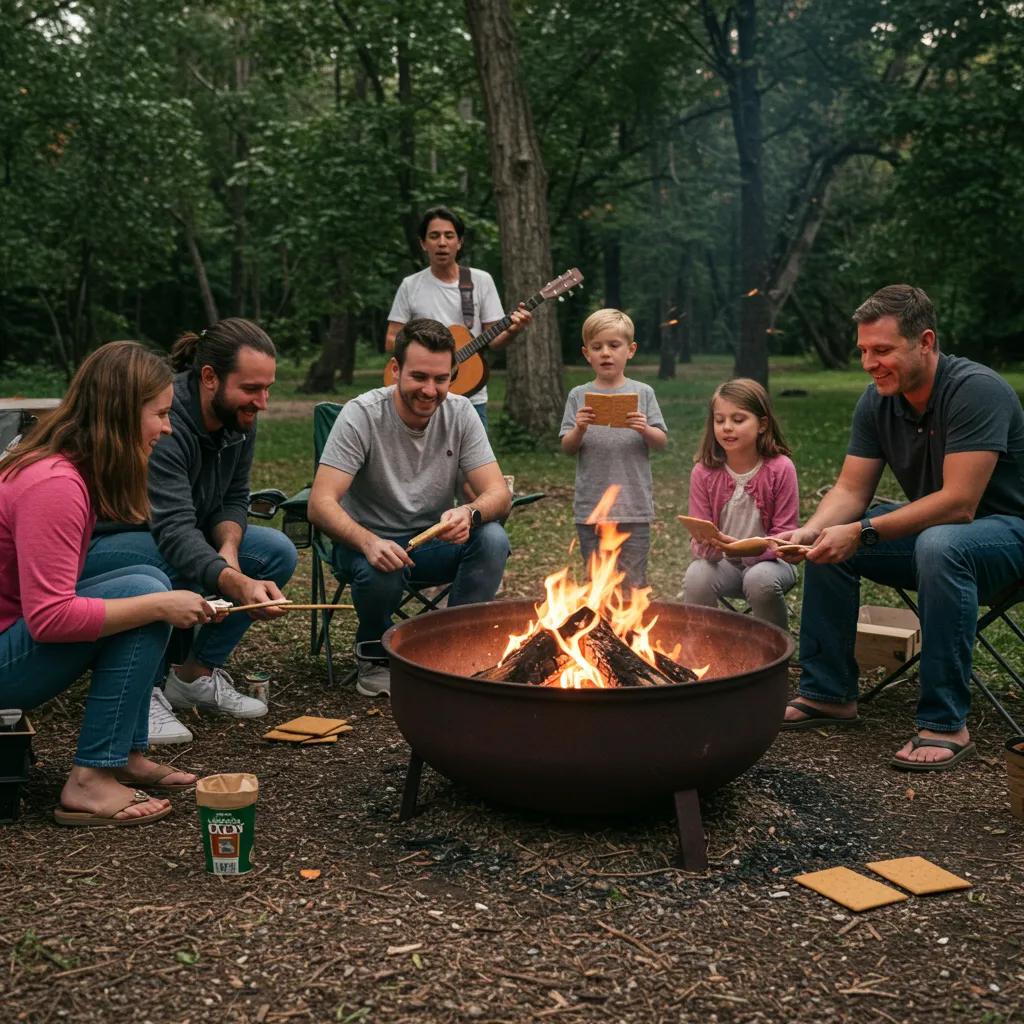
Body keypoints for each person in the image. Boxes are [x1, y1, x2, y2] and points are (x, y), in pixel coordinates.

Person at [778, 284, 1024, 771]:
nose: (869, 363)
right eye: (863, 351)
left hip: (1008, 538)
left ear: (925, 342)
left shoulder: (976, 390)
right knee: (833, 540)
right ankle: (827, 692)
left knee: (938, 543)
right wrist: (811, 531)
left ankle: (945, 722)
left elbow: (959, 503)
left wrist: (863, 532)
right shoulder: (877, 401)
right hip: (943, 540)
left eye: (883, 350)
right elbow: (850, 491)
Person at [0, 342, 218, 826]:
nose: (167, 427)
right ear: (121, 413)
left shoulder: (64, 468)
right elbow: (51, 618)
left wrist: (156, 599)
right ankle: (90, 778)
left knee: (149, 580)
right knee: (148, 597)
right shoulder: (54, 485)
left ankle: (124, 755)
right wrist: (159, 606)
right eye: (160, 414)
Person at [84, 318, 298, 744]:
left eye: (267, 388)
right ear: (209, 377)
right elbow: (175, 532)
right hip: (109, 544)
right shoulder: (167, 422)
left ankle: (193, 676)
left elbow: (235, 497)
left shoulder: (238, 416)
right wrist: (232, 580)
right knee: (168, 567)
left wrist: (229, 552)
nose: (262, 401)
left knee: (275, 550)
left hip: (176, 535)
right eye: (252, 388)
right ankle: (143, 692)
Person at [308, 318, 513, 697]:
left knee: (492, 538)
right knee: (381, 565)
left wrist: (469, 513)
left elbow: (498, 493)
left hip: (431, 543)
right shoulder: (362, 414)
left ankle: (456, 649)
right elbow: (320, 504)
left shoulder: (461, 412)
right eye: (419, 376)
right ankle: (374, 654)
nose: (430, 390)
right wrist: (369, 542)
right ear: (395, 370)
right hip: (365, 545)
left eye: (441, 379)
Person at [385, 206, 531, 429]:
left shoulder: (481, 281)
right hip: (421, 396)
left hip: (470, 396)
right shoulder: (410, 285)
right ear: (423, 243)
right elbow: (391, 339)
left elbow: (494, 340)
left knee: (474, 453)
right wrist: (427, 356)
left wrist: (513, 330)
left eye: (449, 236)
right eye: (434, 236)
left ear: (459, 242)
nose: (442, 243)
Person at [559, 309, 668, 591]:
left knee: (632, 585)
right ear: (587, 354)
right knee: (597, 585)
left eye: (614, 345)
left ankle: (630, 620)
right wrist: (579, 428)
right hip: (591, 509)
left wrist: (644, 428)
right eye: (597, 347)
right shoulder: (578, 395)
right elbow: (567, 447)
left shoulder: (643, 393)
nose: (605, 353)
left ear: (630, 350)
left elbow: (661, 442)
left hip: (633, 508)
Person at [681, 379, 799, 629]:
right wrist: (707, 546)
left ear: (762, 424)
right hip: (724, 566)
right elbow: (699, 536)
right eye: (719, 420)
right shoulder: (703, 472)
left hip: (773, 564)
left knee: (759, 579)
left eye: (738, 419)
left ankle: (774, 648)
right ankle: (703, 646)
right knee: (697, 575)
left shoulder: (781, 468)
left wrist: (747, 550)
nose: (727, 427)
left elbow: (785, 536)